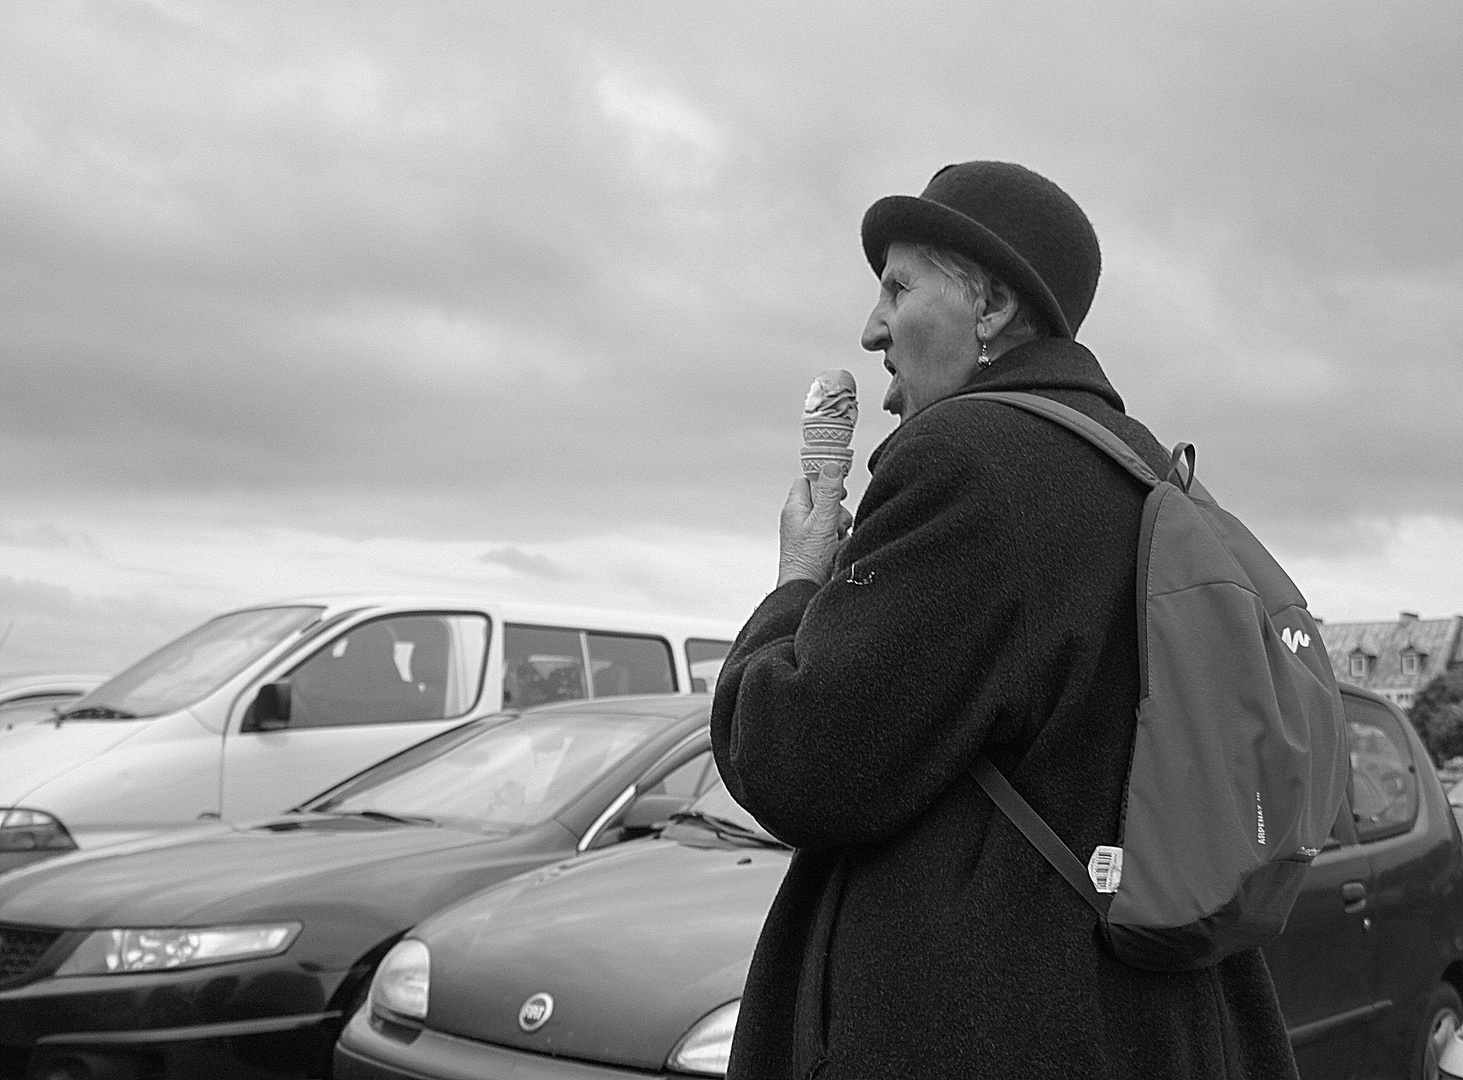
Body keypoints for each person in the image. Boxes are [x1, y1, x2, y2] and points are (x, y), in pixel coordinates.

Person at [709, 161, 1298, 1079]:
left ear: (987, 308)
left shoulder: (969, 461)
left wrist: (797, 581)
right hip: (1143, 1012)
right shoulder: (1136, 464)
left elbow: (795, 761)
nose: (871, 330)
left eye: (898, 288)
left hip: (997, 1024)